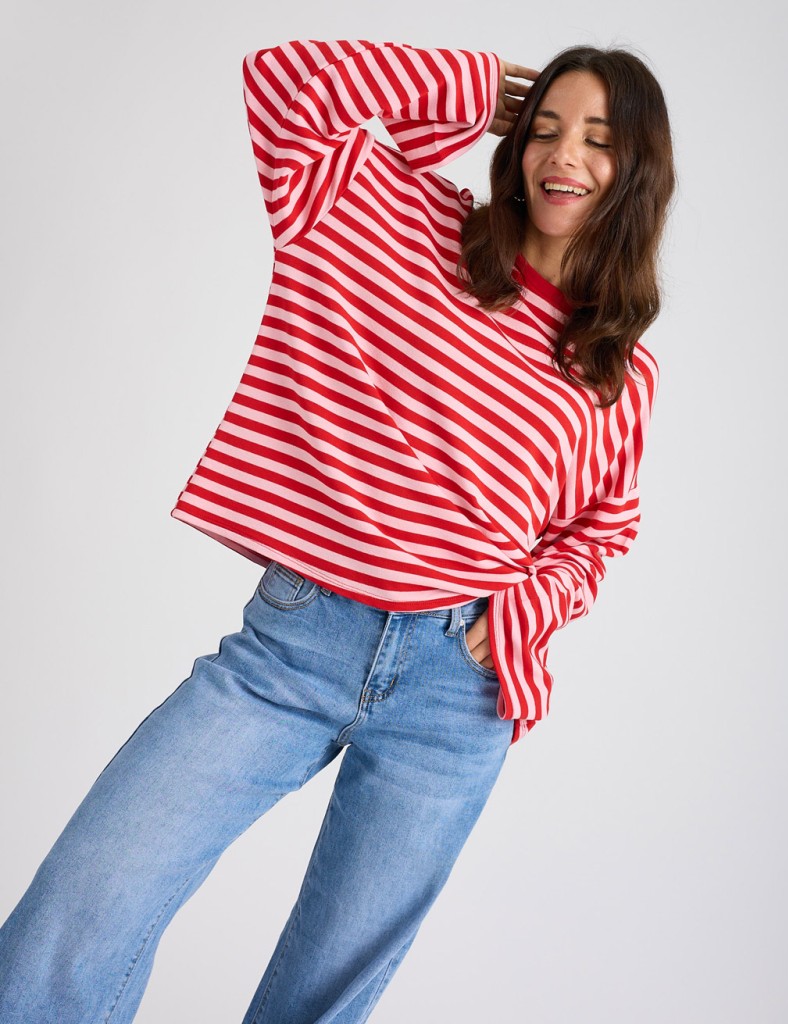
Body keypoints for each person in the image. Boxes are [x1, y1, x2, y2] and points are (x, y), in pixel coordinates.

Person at [0, 37, 675, 1023]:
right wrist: (471, 85)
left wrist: (526, 608)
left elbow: (599, 530)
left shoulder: (615, 368)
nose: (563, 154)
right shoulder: (392, 216)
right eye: (545, 128)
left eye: (599, 139)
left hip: (458, 694)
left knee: (323, 1000)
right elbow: (282, 87)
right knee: (80, 907)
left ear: (638, 170)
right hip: (295, 644)